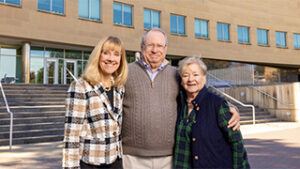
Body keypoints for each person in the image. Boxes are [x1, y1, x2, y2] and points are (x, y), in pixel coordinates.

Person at [122, 28, 241, 169]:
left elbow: (198, 92)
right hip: (132, 157)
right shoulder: (125, 71)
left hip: (168, 157)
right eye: (150, 45)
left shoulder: (176, 74)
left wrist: (230, 107)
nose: (155, 50)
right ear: (142, 47)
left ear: (165, 49)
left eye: (159, 46)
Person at [62, 36, 128, 169]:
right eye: (106, 53)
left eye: (116, 54)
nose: (111, 58)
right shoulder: (80, 86)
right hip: (90, 163)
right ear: (98, 56)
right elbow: (72, 135)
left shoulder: (119, 88)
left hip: (116, 161)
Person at [174, 56, 250, 169]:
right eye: (185, 75)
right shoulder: (179, 104)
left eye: (195, 74)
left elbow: (237, 142)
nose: (190, 79)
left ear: (204, 78)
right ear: (181, 81)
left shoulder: (217, 104)